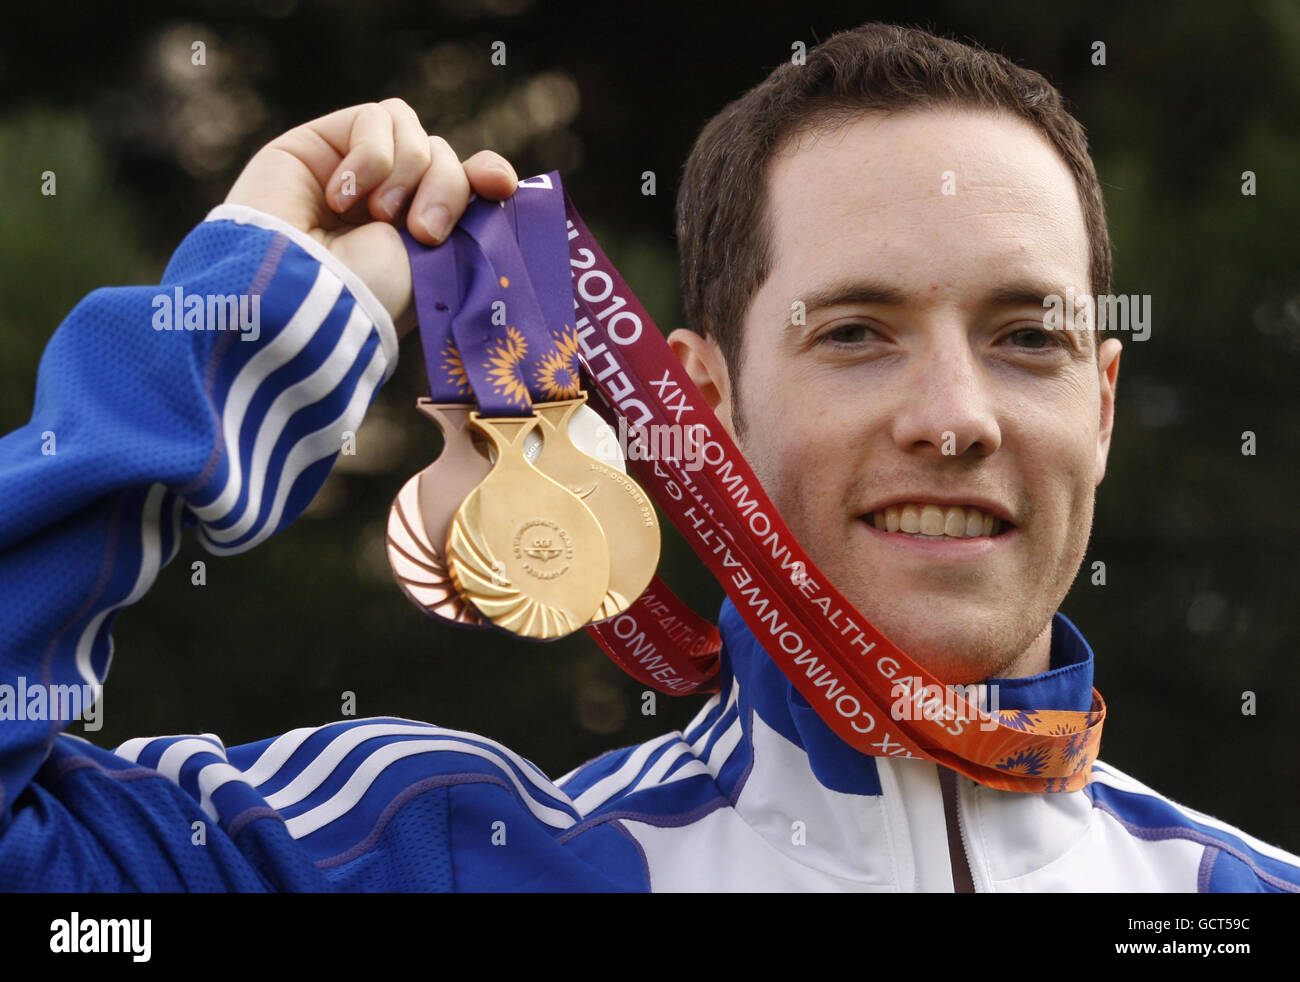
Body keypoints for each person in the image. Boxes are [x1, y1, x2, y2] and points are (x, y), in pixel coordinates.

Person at [0, 22, 1296, 892]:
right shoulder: (462, 857)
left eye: (1027, 337)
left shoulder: (1241, 893)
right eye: (856, 332)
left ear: (1105, 404)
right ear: (708, 406)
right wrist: (244, 327)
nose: (955, 415)